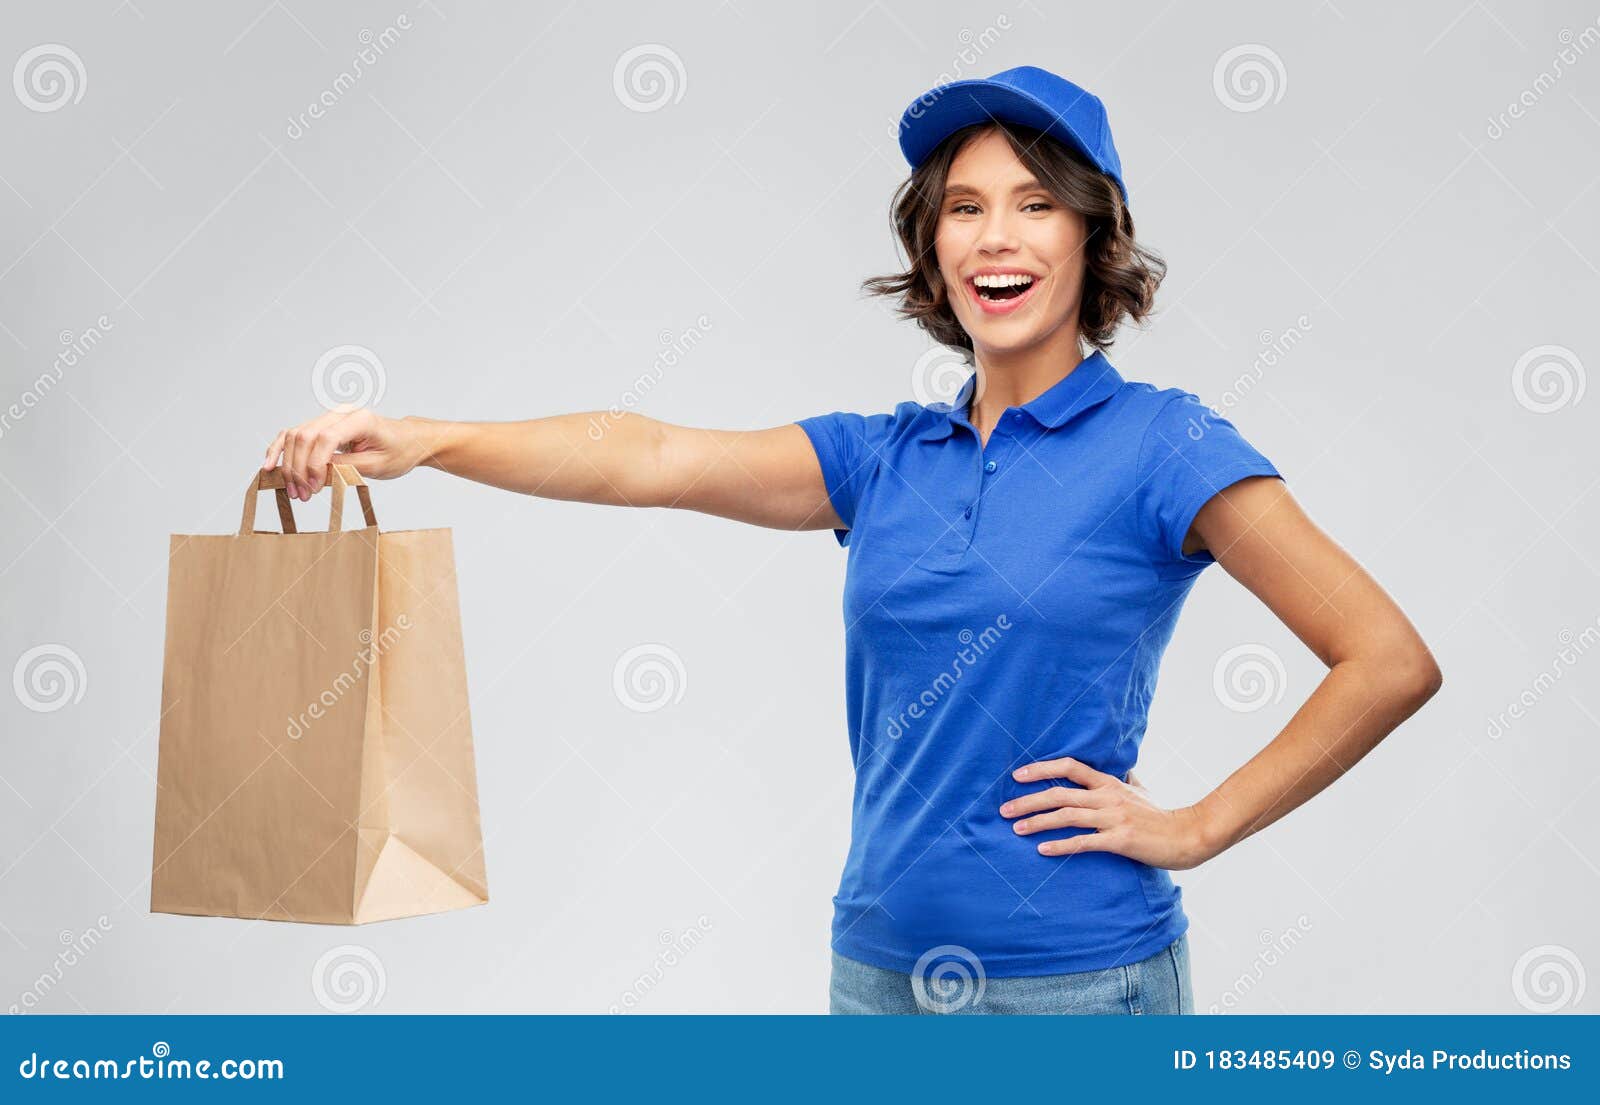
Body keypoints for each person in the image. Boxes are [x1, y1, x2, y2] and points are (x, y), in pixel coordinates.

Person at [263, 65, 1442, 1015]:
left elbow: (1385, 658)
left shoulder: (1160, 445)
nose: (997, 238)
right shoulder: (884, 459)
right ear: (930, 245)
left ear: (1093, 235)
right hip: (876, 974)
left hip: (1076, 990)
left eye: (1035, 204)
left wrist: (1194, 825)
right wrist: (424, 435)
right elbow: (648, 453)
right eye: (964, 208)